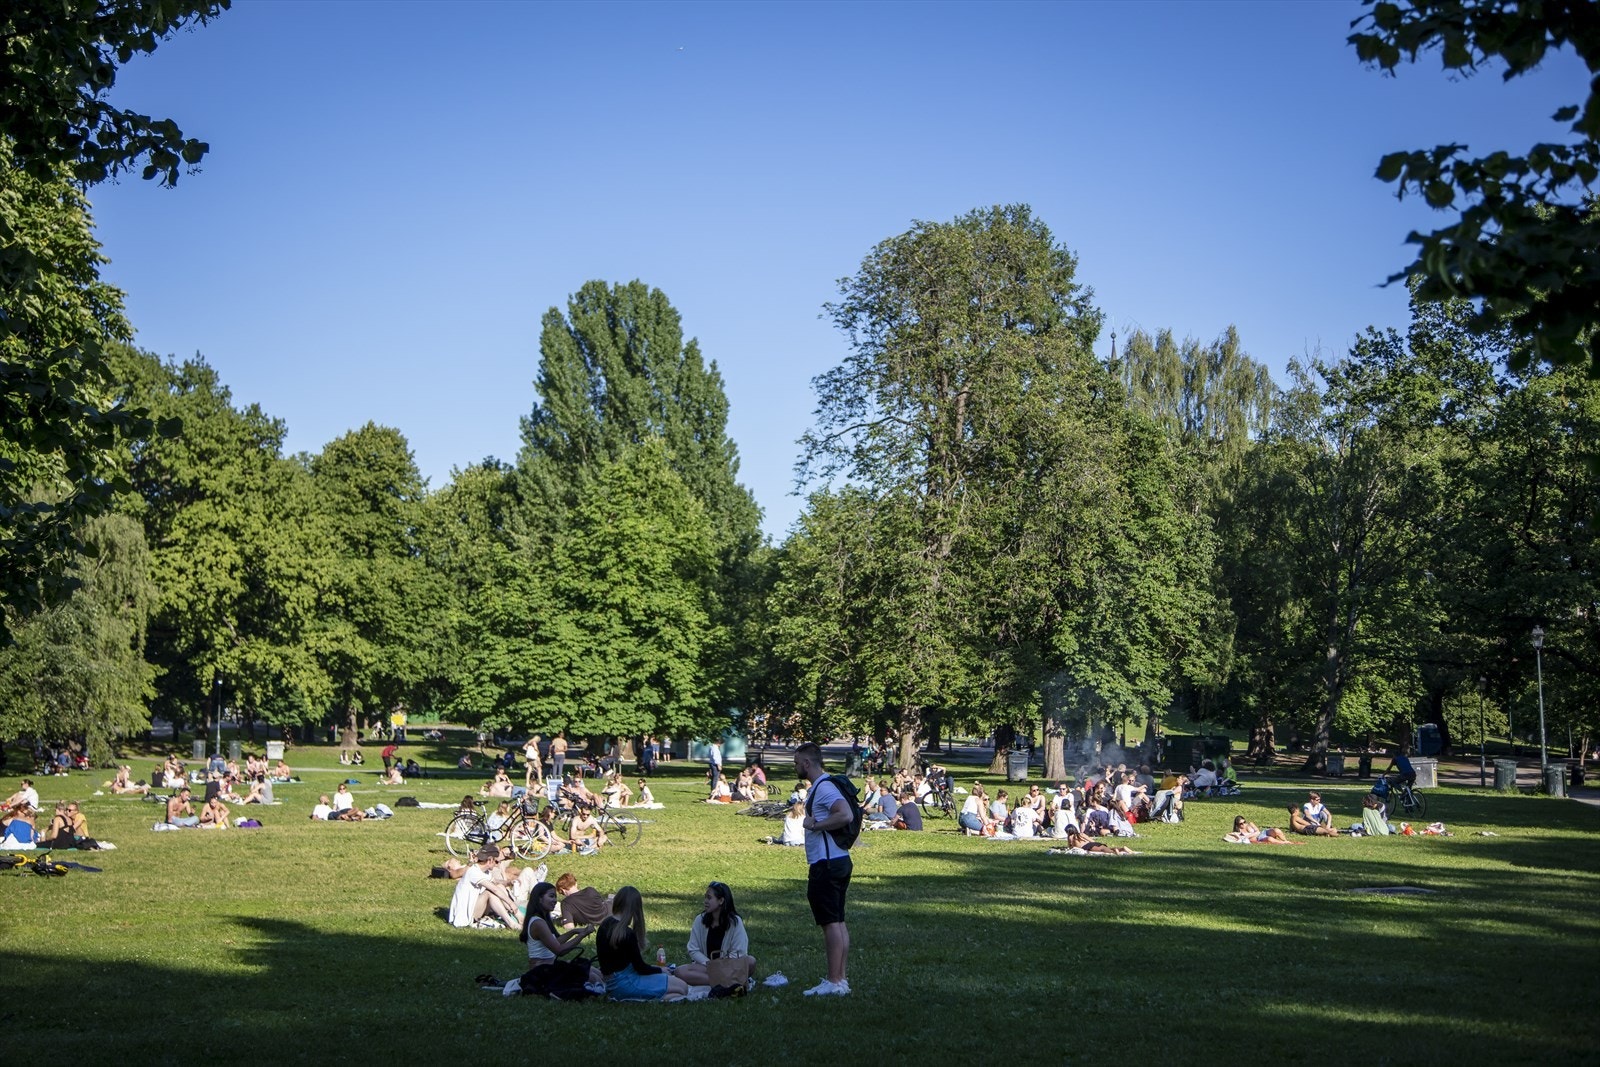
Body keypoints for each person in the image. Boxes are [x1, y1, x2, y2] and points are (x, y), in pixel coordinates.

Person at [794, 741, 851, 997]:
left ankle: (834, 980)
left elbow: (845, 815)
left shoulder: (824, 788)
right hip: (838, 860)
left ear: (807, 763)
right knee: (838, 921)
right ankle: (840, 980)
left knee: (830, 923)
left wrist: (815, 825)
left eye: (797, 763)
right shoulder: (824, 786)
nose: (796, 767)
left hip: (827, 864)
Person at [596, 886, 688, 1002]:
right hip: (627, 983)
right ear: (636, 908)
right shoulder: (626, 933)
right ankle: (649, 999)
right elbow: (641, 968)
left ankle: (649, 997)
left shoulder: (605, 924)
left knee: (679, 986)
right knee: (682, 988)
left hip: (612, 983)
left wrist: (654, 969)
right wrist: (660, 970)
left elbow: (632, 965)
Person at [674, 881, 758, 990]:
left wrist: (721, 965)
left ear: (721, 901)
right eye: (705, 898)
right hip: (706, 967)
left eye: (709, 898)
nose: (705, 901)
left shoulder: (735, 922)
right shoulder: (700, 920)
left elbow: (739, 952)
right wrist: (710, 964)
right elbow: (693, 949)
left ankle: (717, 981)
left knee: (751, 961)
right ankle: (726, 983)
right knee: (680, 971)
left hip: (728, 967)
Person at [520, 881, 600, 986]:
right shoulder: (538, 923)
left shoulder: (541, 919)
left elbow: (555, 942)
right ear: (539, 899)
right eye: (551, 896)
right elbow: (559, 950)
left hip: (549, 968)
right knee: (592, 977)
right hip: (542, 974)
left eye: (555, 897)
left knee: (594, 971)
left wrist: (574, 931)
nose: (555, 900)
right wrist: (582, 935)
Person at [449, 847, 519, 930]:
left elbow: (496, 882)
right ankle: (511, 923)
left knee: (499, 887)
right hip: (464, 915)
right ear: (489, 861)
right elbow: (494, 889)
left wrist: (509, 882)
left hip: (474, 907)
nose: (498, 865)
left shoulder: (485, 872)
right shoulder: (473, 871)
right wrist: (511, 903)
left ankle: (519, 917)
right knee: (489, 893)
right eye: (496, 861)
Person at [1226, 815, 1299, 845]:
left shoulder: (1250, 824)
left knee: (1276, 830)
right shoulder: (1239, 831)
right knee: (1270, 839)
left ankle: (1284, 840)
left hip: (1263, 833)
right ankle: (1286, 843)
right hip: (1259, 838)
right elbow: (1229, 836)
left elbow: (1258, 831)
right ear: (1237, 825)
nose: (1243, 824)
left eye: (1244, 822)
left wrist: (1247, 836)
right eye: (1241, 824)